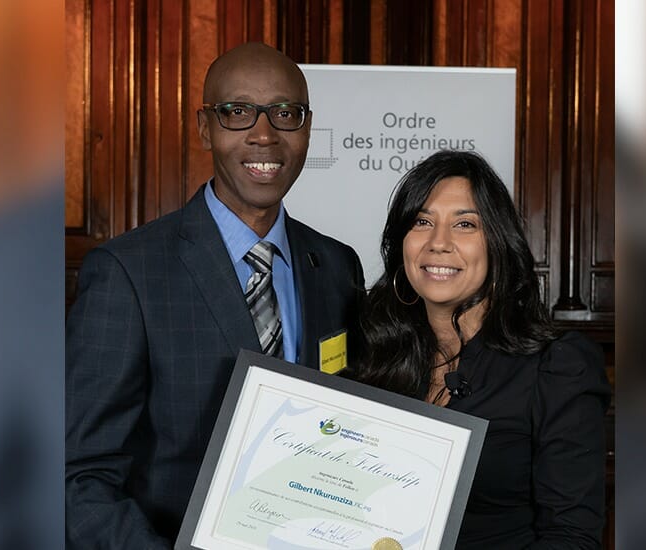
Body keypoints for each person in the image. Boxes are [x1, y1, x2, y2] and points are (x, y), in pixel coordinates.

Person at [66, 43, 364, 549]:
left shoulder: (336, 266)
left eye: (286, 114)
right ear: (205, 127)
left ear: (308, 128)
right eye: (238, 112)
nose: (265, 135)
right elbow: (78, 476)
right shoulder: (128, 273)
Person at [351, 150, 611, 549]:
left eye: (465, 224)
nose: (439, 243)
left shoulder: (557, 366)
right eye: (422, 221)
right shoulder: (374, 353)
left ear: (497, 242)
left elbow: (571, 538)